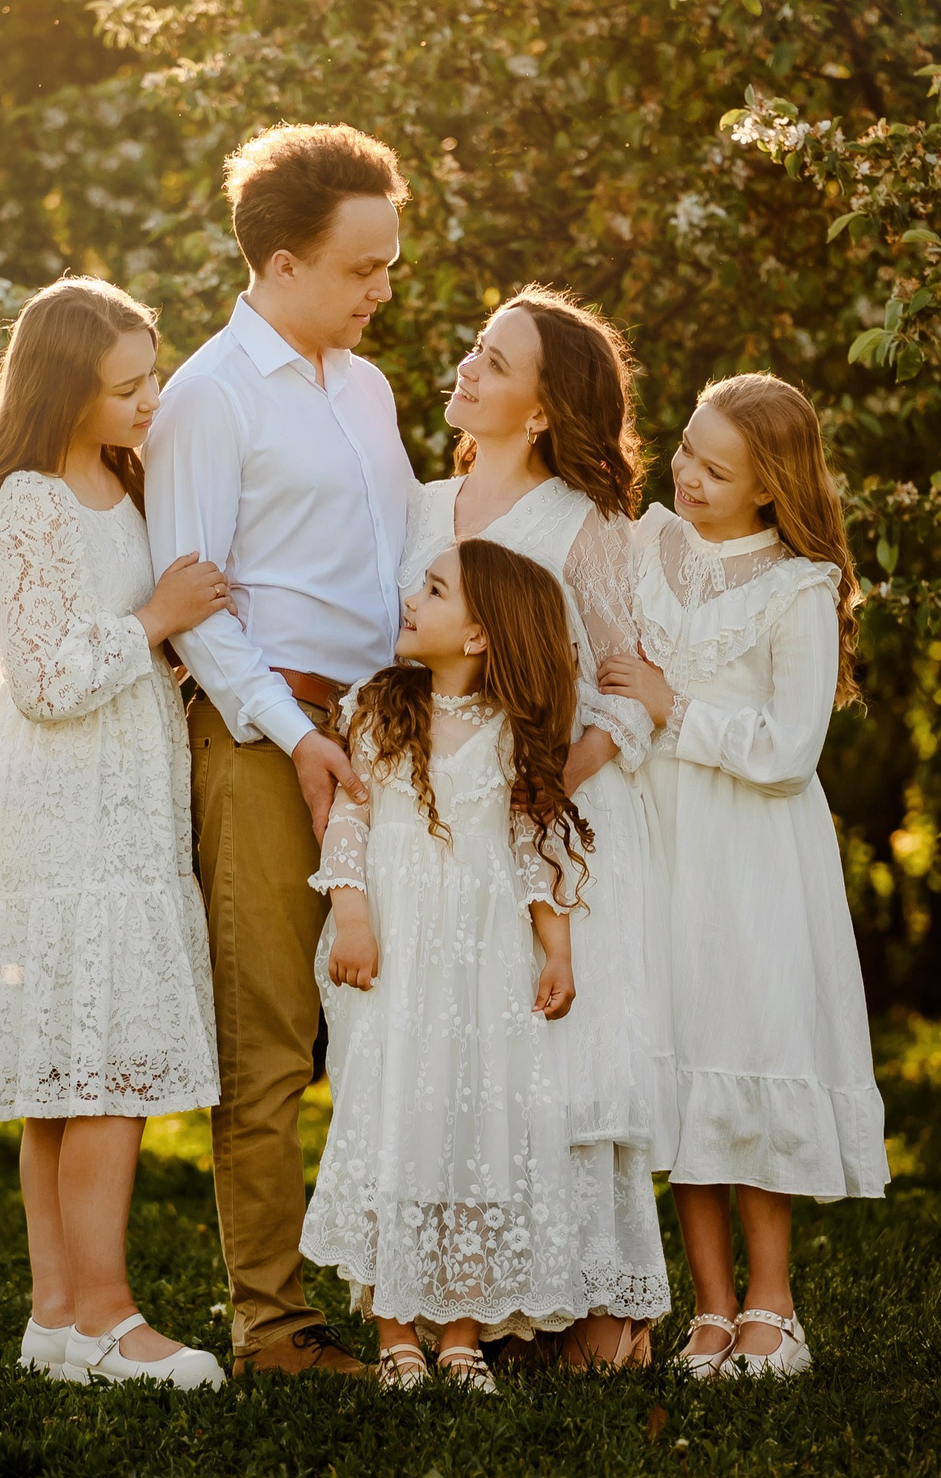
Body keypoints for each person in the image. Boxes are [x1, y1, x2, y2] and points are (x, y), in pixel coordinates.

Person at [142, 123, 417, 1377]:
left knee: (403, 1015)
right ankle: (271, 1322)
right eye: (363, 268)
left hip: (389, 739)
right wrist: (301, 733)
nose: (380, 291)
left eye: (390, 267)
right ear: (281, 262)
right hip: (262, 739)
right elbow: (195, 612)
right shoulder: (207, 396)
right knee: (270, 1035)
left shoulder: (369, 387)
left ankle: (420, 1300)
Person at [0, 276, 234, 1390]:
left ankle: (56, 1320)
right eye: (127, 386)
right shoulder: (27, 504)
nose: (152, 398)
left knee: (85, 1058)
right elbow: (46, 676)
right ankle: (100, 1314)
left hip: (126, 793)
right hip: (56, 800)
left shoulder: (126, 476)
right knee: (90, 1056)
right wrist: (156, 621)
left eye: (152, 374)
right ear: (65, 390)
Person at [395, 286, 671, 1367]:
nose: (467, 368)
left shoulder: (583, 524)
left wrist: (547, 779)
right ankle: (463, 1303)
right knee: (455, 1055)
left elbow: (628, 685)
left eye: (494, 362)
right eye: (474, 348)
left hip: (551, 828)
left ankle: (576, 1296)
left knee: (553, 1057)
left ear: (544, 408)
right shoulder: (420, 507)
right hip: (434, 829)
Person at [599, 373, 889, 1379]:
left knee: (744, 1050)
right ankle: (709, 1309)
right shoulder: (645, 544)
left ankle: (774, 1303)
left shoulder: (798, 585)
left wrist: (674, 705)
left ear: (770, 486)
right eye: (685, 449)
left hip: (752, 848)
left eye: (716, 470)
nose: (687, 474)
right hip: (656, 835)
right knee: (678, 1060)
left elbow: (789, 747)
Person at [303, 541, 592, 1392]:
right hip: (391, 953)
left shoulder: (511, 734)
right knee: (392, 1118)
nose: (411, 597)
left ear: (477, 636)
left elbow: (533, 843)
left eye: (433, 590)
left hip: (480, 962)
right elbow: (348, 822)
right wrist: (349, 911)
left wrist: (558, 945)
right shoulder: (376, 708)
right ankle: (396, 1329)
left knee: (471, 1134)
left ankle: (460, 1333)